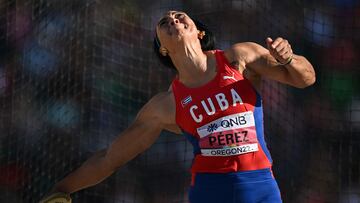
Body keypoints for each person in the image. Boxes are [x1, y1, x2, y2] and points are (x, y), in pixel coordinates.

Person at [40, 10, 315, 203]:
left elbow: (306, 79)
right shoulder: (164, 106)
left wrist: (289, 59)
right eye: (164, 20)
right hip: (210, 191)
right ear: (162, 48)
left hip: (260, 187)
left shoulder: (239, 58)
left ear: (199, 31)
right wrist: (62, 188)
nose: (172, 18)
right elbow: (109, 158)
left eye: (179, 15)